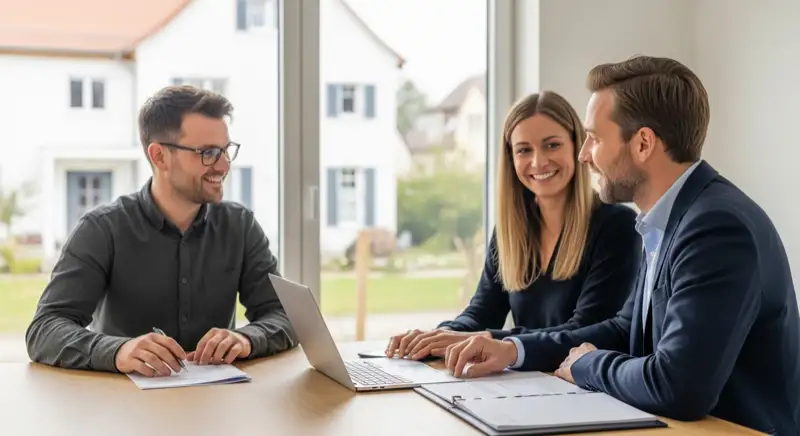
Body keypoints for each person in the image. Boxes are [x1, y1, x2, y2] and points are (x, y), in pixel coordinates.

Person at [443, 56, 800, 435]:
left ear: (643, 143)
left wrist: (588, 365)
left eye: (594, 139)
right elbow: (623, 329)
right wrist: (514, 351)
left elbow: (678, 387)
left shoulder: (716, 227)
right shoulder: (670, 219)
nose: (584, 155)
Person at [26, 85, 297, 377]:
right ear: (159, 156)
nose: (223, 165)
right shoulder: (102, 229)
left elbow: (285, 316)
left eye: (225, 151)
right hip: (123, 398)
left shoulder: (240, 226)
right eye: (208, 153)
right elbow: (45, 329)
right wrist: (117, 351)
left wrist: (246, 339)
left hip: (218, 398)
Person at [385, 91, 641, 361]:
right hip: (528, 380)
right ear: (511, 158)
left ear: (577, 146)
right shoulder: (511, 231)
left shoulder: (617, 226)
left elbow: (587, 331)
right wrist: (440, 336)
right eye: (524, 150)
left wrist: (492, 342)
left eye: (552, 145)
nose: (538, 162)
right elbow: (482, 312)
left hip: (584, 381)